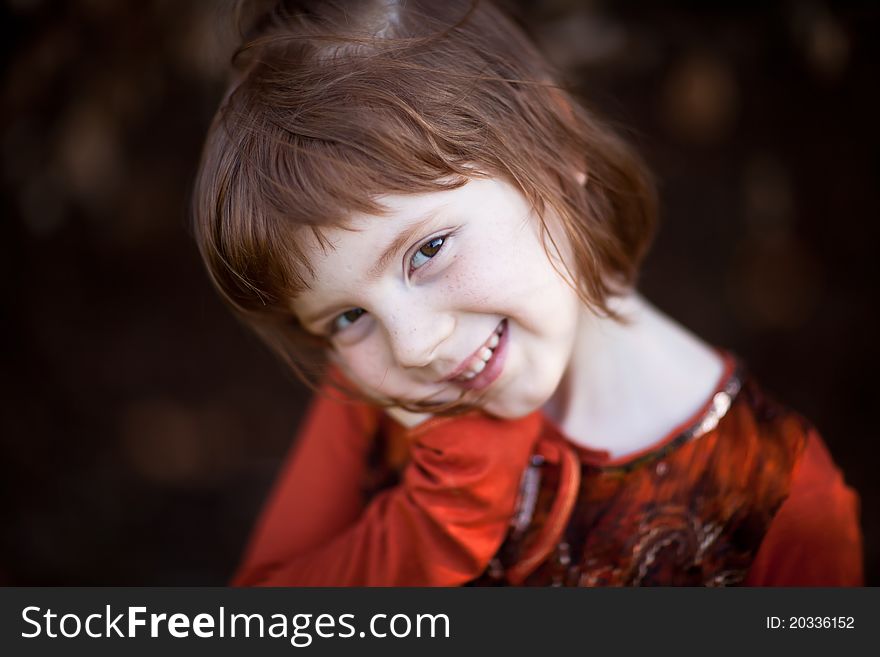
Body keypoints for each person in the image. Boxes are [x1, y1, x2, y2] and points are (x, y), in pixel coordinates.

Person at [191, 0, 863, 586]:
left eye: (427, 250)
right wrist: (447, 508)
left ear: (553, 149)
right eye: (347, 315)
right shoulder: (381, 401)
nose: (416, 345)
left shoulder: (782, 505)